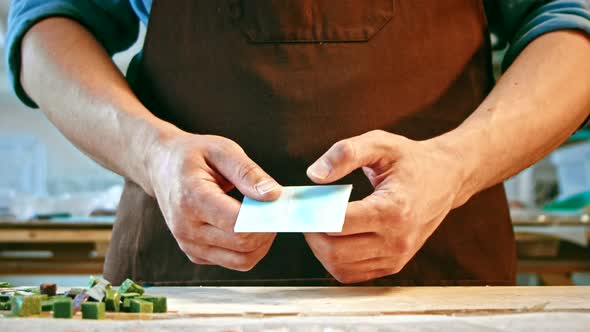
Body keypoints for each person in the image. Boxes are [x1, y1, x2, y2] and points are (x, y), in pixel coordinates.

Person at [6, 0, 590, 286]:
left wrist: (455, 165)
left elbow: (572, 22)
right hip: (185, 287)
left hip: (437, 281)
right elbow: (45, 25)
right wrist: (151, 152)